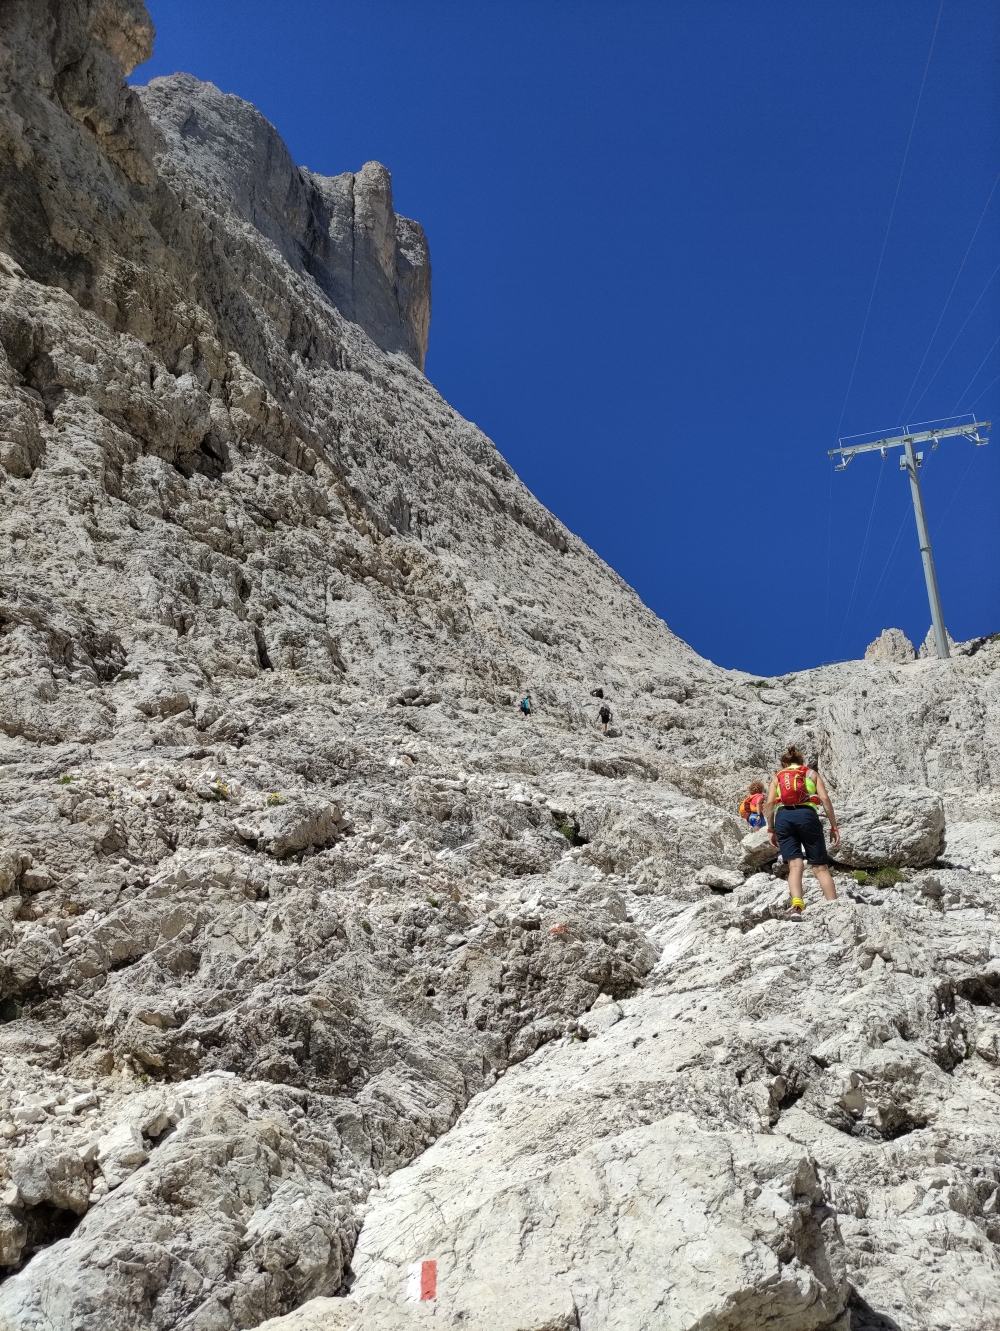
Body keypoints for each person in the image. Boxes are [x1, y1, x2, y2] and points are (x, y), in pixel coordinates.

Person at [764, 744, 840, 920]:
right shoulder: (811, 774)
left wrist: (771, 828)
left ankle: (797, 905)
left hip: (783, 817)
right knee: (820, 866)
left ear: (784, 763)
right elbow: (824, 798)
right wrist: (834, 826)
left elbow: (769, 803)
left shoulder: (777, 777)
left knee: (795, 864)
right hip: (807, 815)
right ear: (801, 761)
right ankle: (834, 905)